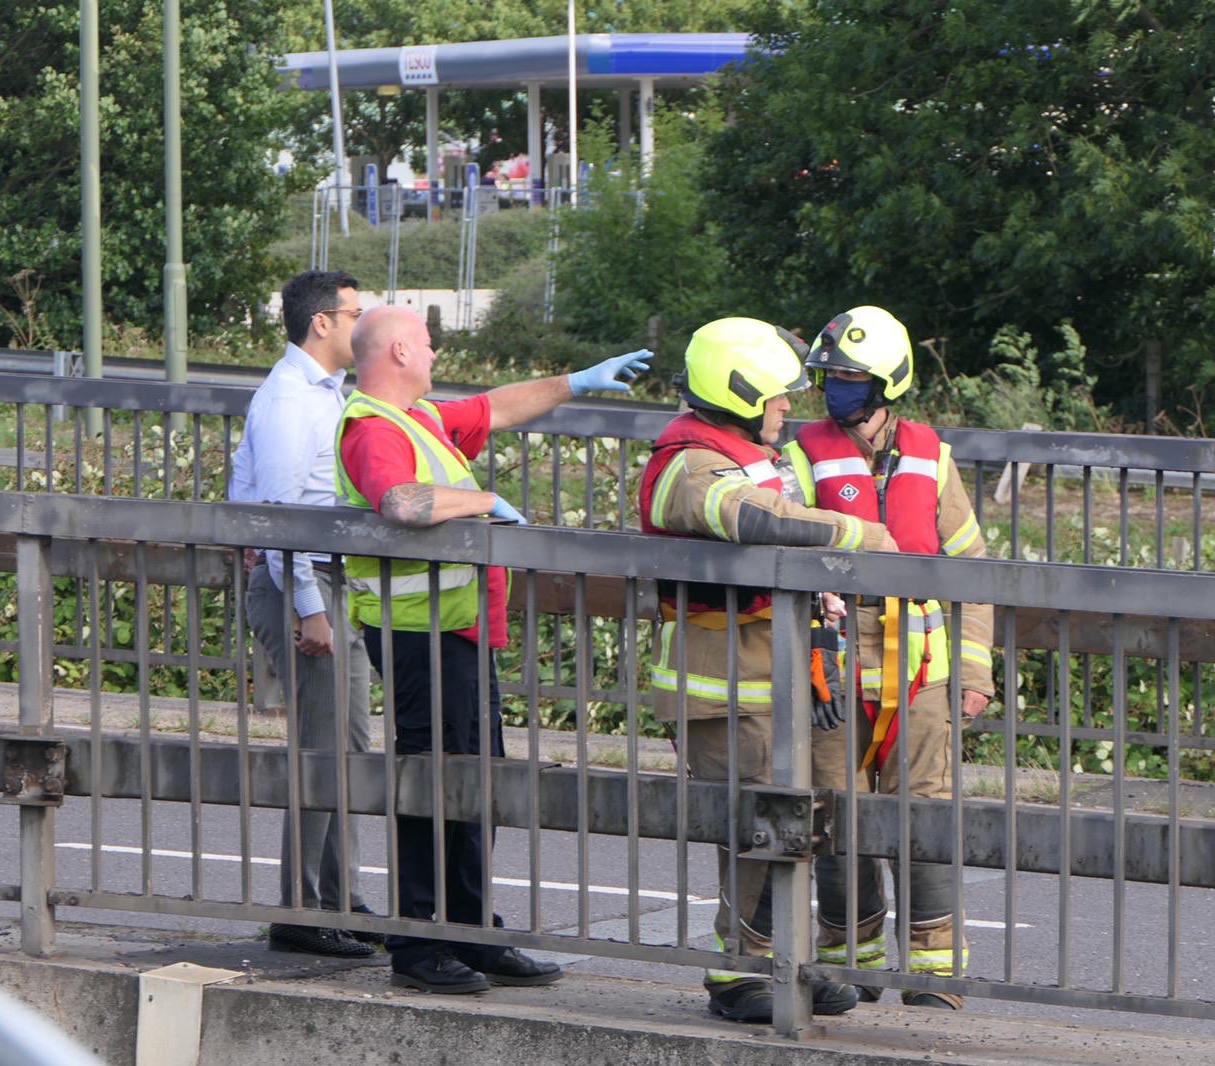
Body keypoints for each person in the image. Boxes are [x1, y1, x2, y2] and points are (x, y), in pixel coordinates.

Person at [336, 305, 650, 994]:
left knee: (473, 785)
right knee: (432, 786)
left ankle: (471, 932)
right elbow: (401, 503)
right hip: (419, 636)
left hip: (455, 633)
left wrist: (580, 380)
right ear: (396, 351)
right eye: (425, 342)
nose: (434, 352)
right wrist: (482, 501)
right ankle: (420, 944)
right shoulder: (371, 428)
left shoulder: (416, 418)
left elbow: (494, 408)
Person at [637, 317, 897, 1024]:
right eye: (777, 395)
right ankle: (738, 975)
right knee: (757, 826)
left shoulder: (749, 449)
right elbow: (751, 519)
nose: (788, 406)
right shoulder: (688, 463)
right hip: (724, 686)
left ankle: (788, 964)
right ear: (740, 391)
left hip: (786, 675)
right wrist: (857, 535)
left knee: (805, 820)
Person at [782, 305, 996, 1010]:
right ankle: (851, 963)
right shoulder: (800, 450)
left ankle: (935, 974)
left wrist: (972, 672)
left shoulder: (931, 455)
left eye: (850, 377)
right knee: (835, 815)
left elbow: (970, 567)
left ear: (886, 384)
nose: (836, 389)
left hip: (921, 670)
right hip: (833, 666)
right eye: (830, 376)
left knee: (924, 815)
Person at [230, 270, 376, 959]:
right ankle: (302, 909)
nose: (363, 326)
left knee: (346, 748)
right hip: (304, 585)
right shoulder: (290, 400)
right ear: (323, 323)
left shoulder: (322, 393)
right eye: (355, 314)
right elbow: (283, 518)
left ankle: (338, 897)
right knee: (322, 751)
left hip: (321, 582)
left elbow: (261, 492)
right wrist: (309, 608)